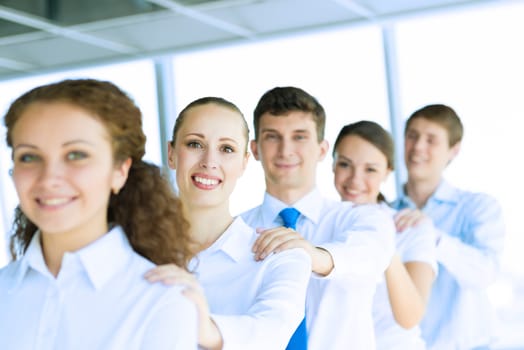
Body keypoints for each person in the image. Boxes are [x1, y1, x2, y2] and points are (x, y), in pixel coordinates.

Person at [0, 79, 198, 349]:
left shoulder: (161, 302)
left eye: (76, 155)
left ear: (120, 171)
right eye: (29, 157)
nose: (49, 179)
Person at [144, 97, 312, 349]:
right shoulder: (132, 248)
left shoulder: (281, 257)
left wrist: (205, 328)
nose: (209, 161)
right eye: (194, 144)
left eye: (227, 149)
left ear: (244, 163)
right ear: (171, 154)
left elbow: (272, 332)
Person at [240, 86, 396, 349]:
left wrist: (311, 254)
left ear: (322, 149)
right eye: (272, 136)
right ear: (255, 149)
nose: (285, 150)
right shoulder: (236, 230)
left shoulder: (361, 219)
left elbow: (370, 255)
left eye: (299, 137)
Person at [393, 104, 505, 350]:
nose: (418, 146)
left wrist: (432, 237)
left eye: (431, 139)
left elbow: (486, 274)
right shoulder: (387, 214)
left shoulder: (478, 207)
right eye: (412, 136)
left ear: (453, 150)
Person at [332, 120, 437, 350]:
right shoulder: (321, 224)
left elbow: (410, 317)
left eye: (370, 169)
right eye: (345, 165)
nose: (355, 180)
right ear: (332, 164)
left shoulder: (410, 228)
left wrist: (382, 242)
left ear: (387, 172)